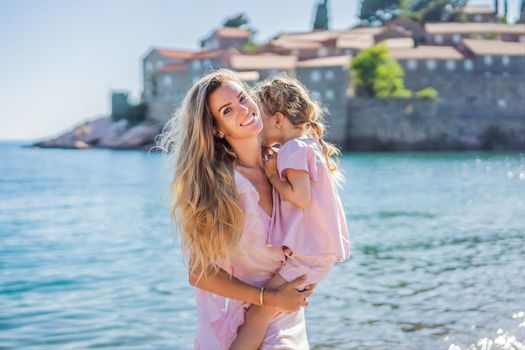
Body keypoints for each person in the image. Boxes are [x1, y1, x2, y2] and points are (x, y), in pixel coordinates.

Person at [159, 69, 315, 349]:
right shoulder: (219, 186)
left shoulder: (289, 164)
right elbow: (200, 273)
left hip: (287, 316)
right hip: (239, 323)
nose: (244, 110)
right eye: (228, 110)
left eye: (243, 98)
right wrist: (266, 301)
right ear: (218, 128)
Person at [230, 75, 350, 350]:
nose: (258, 127)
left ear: (279, 120)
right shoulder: (310, 146)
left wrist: (272, 176)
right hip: (318, 253)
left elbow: (300, 197)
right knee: (267, 313)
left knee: (257, 313)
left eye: (261, 118)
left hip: (310, 254)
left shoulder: (293, 149)